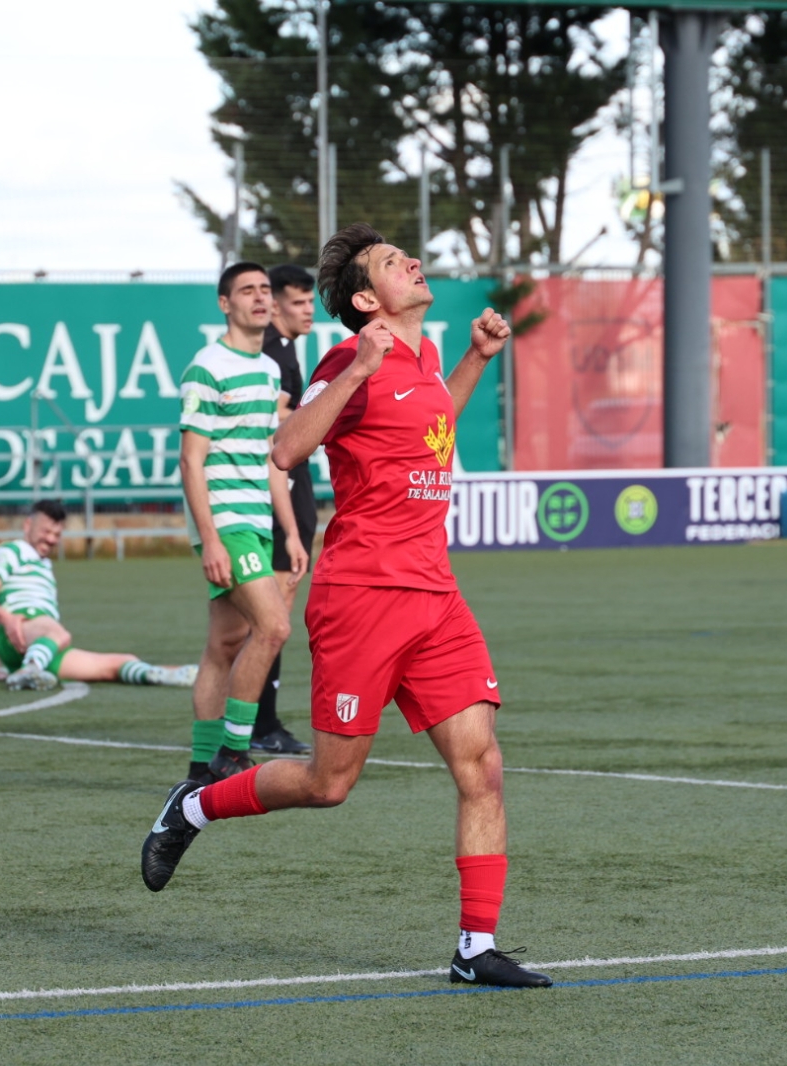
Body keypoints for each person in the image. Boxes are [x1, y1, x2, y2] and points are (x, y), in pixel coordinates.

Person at [141, 223, 550, 990]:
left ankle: (474, 947)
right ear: (368, 300)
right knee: (330, 784)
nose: (415, 263)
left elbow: (432, 427)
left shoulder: (426, 359)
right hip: (362, 594)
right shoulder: (349, 356)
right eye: (397, 263)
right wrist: (357, 370)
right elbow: (286, 449)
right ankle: (191, 809)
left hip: (436, 595)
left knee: (483, 767)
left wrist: (474, 360)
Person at [180, 261, 309, 786]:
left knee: (224, 646)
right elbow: (191, 461)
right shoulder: (206, 366)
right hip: (225, 525)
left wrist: (293, 533)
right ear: (224, 303)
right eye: (246, 291)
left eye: (263, 290)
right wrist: (209, 539)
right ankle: (235, 749)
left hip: (256, 523)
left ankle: (198, 766)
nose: (259, 298)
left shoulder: (267, 371)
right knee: (274, 626)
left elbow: (269, 460)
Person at [0, 500, 195, 691]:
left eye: (57, 534)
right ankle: (31, 669)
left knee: (116, 664)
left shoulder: (42, 564)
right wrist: (7, 618)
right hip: (29, 628)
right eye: (46, 531)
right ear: (28, 525)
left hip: (41, 644)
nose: (51, 539)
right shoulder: (13, 550)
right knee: (57, 632)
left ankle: (162, 674)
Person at [249, 263, 320, 757]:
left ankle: (256, 722)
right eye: (298, 303)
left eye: (311, 301)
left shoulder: (285, 347)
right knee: (272, 619)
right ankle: (261, 723)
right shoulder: (273, 350)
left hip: (291, 491)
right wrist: (321, 416)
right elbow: (274, 423)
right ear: (274, 304)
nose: (308, 310)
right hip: (278, 495)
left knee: (269, 619)